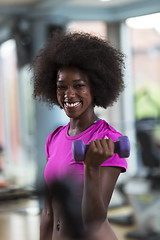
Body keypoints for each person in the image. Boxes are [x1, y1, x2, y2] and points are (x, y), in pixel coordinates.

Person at [31, 30, 127, 240]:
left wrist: (91, 167)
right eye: (61, 87)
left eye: (79, 86)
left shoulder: (108, 141)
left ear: (96, 87)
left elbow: (94, 221)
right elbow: (48, 211)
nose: (69, 94)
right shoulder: (54, 138)